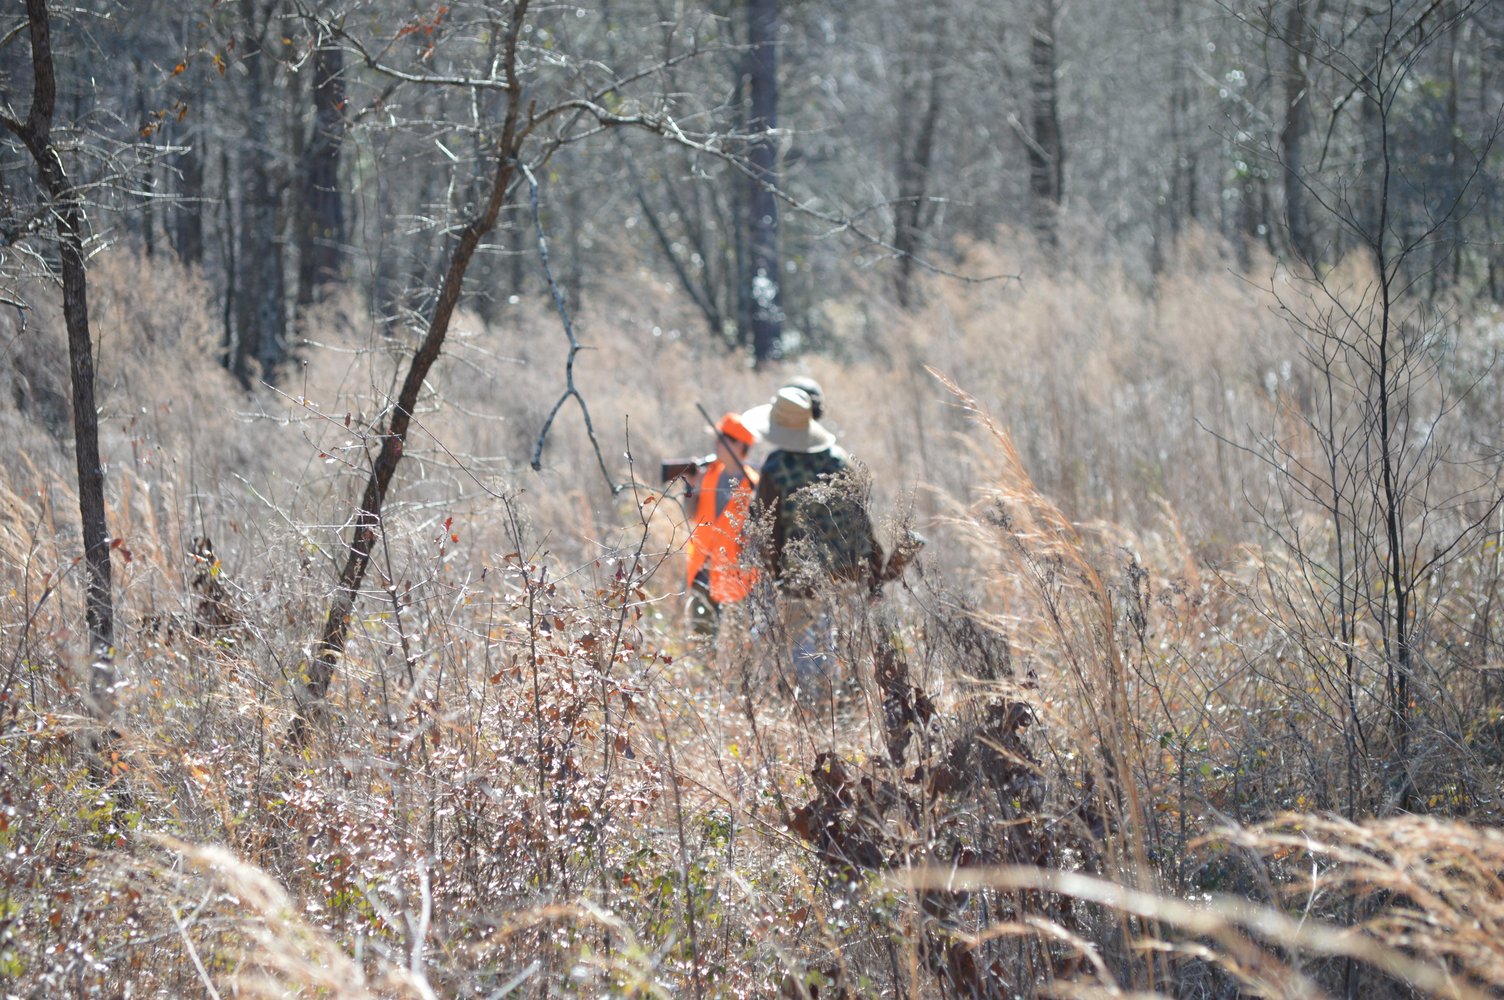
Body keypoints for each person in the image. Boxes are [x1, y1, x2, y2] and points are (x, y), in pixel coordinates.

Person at [683, 411, 760, 635]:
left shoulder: (754, 486)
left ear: (739, 446)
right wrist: (690, 488)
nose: (716, 443)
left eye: (723, 438)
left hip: (735, 580)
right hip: (701, 570)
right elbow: (691, 515)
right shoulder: (708, 474)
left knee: (734, 644)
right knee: (702, 642)